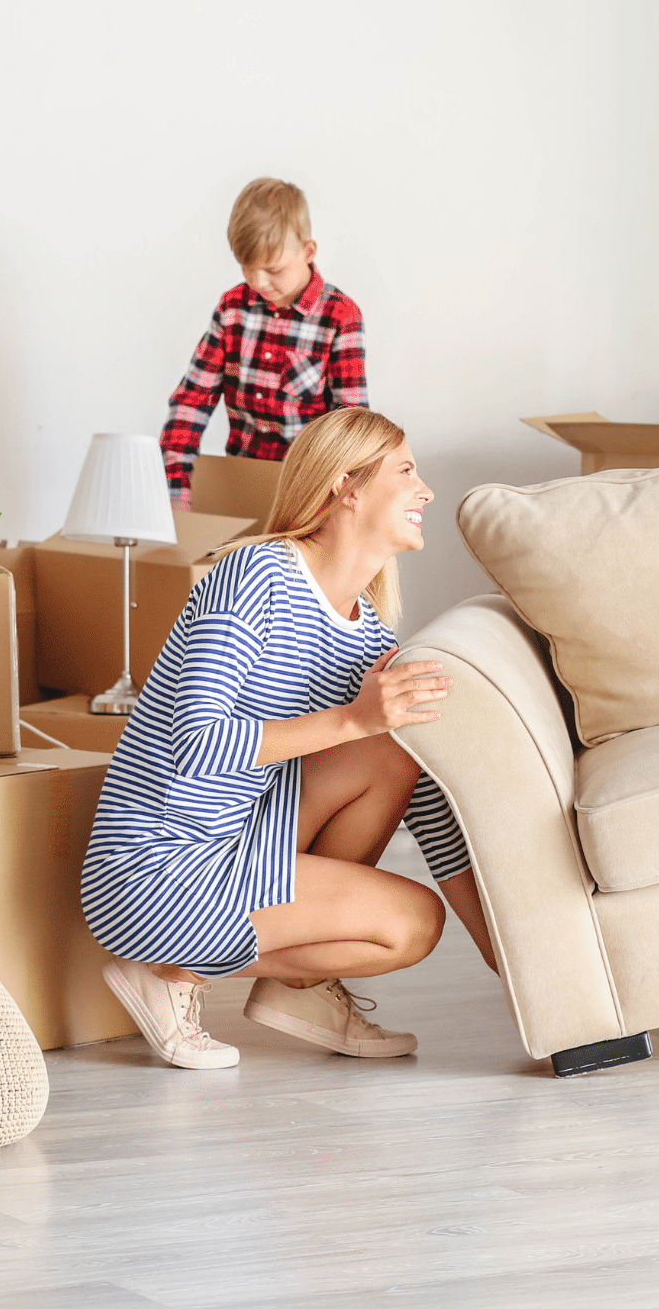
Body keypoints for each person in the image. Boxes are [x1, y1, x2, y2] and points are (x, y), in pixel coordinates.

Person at [81, 406, 490, 1069]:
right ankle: (166, 973)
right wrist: (354, 720)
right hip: (156, 867)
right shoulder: (256, 576)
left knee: (396, 760)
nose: (427, 491)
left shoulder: (369, 636)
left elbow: (428, 810)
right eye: (407, 470)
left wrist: (514, 961)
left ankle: (298, 989)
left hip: (242, 847)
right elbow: (195, 743)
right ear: (345, 485)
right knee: (409, 916)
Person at [159, 176, 368, 510]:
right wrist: (177, 493)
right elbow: (191, 403)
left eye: (273, 269)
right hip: (241, 486)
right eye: (247, 268)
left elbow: (351, 424)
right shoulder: (232, 309)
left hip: (308, 496)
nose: (257, 282)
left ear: (308, 250)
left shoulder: (340, 317)